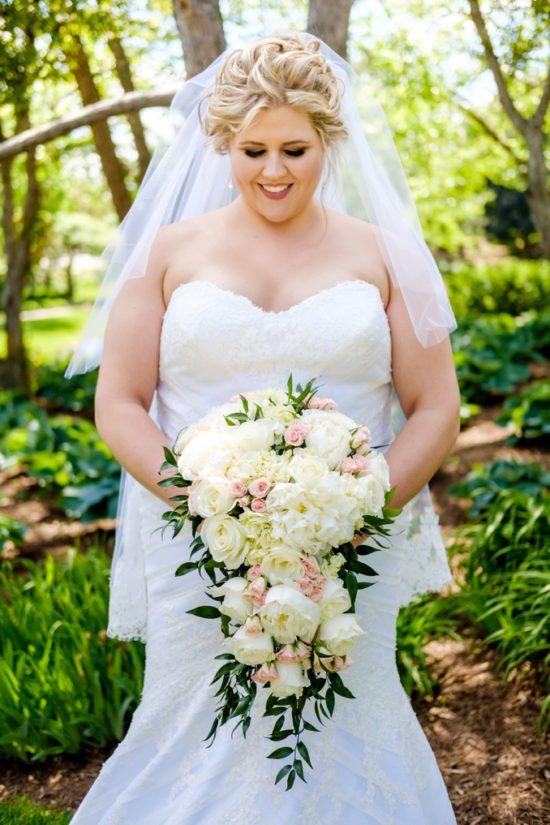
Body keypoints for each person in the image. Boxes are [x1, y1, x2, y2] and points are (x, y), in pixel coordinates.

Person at [68, 33, 460, 824]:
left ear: (328, 140)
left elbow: (438, 407)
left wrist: (363, 507)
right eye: (252, 150)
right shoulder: (166, 254)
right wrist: (206, 500)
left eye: (295, 148)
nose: (274, 171)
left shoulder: (388, 256)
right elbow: (120, 400)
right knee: (197, 722)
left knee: (348, 710)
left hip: (353, 540)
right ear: (221, 143)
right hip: (195, 539)